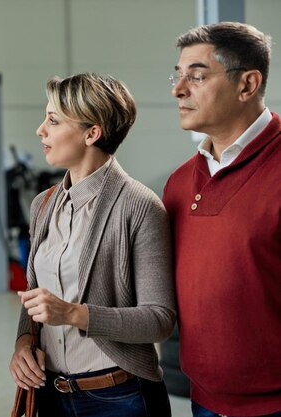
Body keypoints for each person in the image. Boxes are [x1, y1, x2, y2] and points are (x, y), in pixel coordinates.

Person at [8, 73, 176, 416]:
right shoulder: (43, 204)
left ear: (92, 133)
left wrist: (74, 313)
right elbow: (35, 294)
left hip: (119, 397)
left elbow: (159, 319)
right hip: (52, 394)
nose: (41, 129)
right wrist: (24, 341)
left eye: (53, 120)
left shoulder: (140, 206)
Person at [163, 22, 281, 417]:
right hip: (205, 401)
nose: (178, 90)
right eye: (177, 75)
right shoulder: (179, 183)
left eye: (196, 76)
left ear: (247, 85)